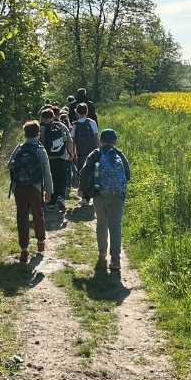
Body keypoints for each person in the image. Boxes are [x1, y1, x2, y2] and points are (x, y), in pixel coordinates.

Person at [79, 128, 131, 276]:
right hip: (117, 196)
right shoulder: (119, 154)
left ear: (100, 141)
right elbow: (128, 174)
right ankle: (116, 261)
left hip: (99, 195)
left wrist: (82, 189)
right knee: (115, 227)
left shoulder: (95, 154)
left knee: (102, 223)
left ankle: (102, 252)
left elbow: (84, 171)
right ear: (115, 141)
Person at [7, 120, 53, 265]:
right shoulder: (40, 150)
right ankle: (40, 243)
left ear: (25, 134)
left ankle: (24, 250)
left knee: (22, 216)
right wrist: (49, 190)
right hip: (35, 186)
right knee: (38, 213)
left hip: (19, 187)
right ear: (38, 134)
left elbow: (9, 165)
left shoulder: (19, 148)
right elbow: (46, 172)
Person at [40, 106, 73, 211]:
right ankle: (60, 198)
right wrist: (71, 153)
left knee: (50, 179)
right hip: (62, 157)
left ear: (42, 118)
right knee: (61, 179)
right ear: (53, 116)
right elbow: (69, 141)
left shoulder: (41, 129)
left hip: (47, 159)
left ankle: (51, 202)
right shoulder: (61, 126)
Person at [72, 102, 99, 194]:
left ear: (77, 112)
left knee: (82, 172)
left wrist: (73, 153)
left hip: (80, 152)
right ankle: (92, 191)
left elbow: (73, 140)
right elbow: (96, 137)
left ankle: (82, 192)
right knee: (92, 171)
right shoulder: (92, 122)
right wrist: (101, 149)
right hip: (92, 151)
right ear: (87, 112)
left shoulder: (75, 124)